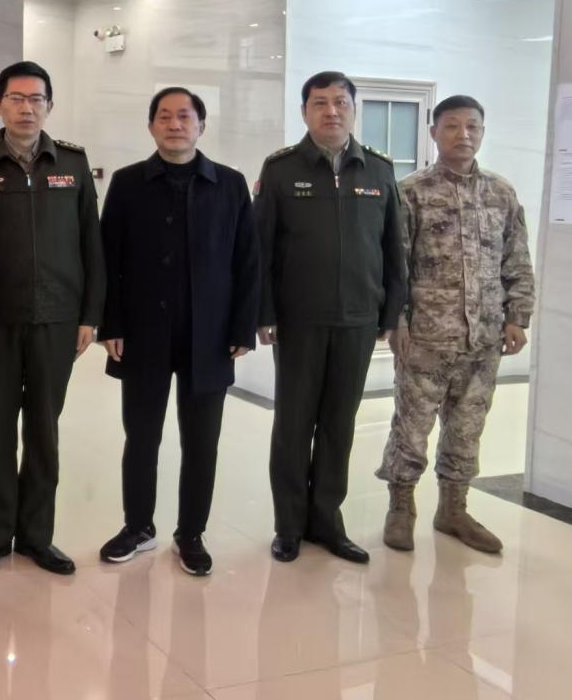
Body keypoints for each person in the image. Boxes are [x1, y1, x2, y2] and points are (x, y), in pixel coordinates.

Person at [97, 87, 259, 576]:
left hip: (209, 336)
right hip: (142, 333)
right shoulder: (128, 183)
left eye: (184, 116)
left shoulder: (229, 185)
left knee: (201, 441)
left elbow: (248, 261)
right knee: (141, 436)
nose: (174, 125)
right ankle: (138, 526)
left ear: (201, 126)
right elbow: (108, 259)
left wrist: (243, 328)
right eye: (164, 117)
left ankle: (191, 533)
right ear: (151, 126)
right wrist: (111, 324)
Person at [0, 61, 105, 577]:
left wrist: (90, 315)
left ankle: (38, 536)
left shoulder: (73, 162)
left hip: (57, 320)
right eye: (16, 99)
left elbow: (91, 242)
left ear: (49, 106)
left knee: (44, 431)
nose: (27, 108)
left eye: (37, 99)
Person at [255, 70, 406, 565]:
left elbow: (394, 249)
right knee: (294, 425)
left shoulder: (379, 171)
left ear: (354, 110)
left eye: (341, 102)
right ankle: (289, 525)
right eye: (320, 102)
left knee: (339, 425)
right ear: (304, 111)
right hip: (298, 320)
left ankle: (326, 522)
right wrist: (264, 311)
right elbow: (261, 250)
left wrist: (391, 312)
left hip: (358, 319)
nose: (331, 111)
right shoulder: (280, 170)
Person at [376, 95, 535, 554]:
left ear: (482, 132)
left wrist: (517, 316)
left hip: (483, 338)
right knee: (411, 427)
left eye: (472, 126)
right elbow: (394, 267)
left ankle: (453, 509)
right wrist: (397, 322)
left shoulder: (501, 193)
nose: (463, 135)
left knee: (467, 427)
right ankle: (401, 508)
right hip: (425, 337)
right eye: (451, 126)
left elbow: (516, 259)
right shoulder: (410, 192)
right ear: (434, 132)